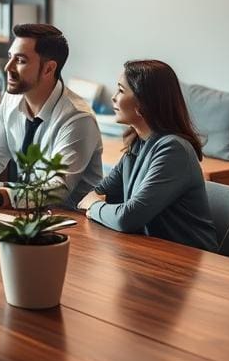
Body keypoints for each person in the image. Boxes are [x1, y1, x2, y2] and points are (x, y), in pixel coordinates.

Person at [0, 23, 103, 213]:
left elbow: (57, 189)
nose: (7, 67)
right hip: (25, 214)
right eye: (10, 57)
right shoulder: (12, 99)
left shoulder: (78, 118)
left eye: (20, 60)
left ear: (48, 69)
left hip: (72, 222)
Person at [76, 60, 218, 251]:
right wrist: (97, 203)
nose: (113, 98)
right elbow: (97, 193)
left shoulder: (173, 150)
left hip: (189, 261)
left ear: (143, 101)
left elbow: (127, 218)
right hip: (153, 252)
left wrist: (94, 208)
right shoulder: (138, 143)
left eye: (120, 90)